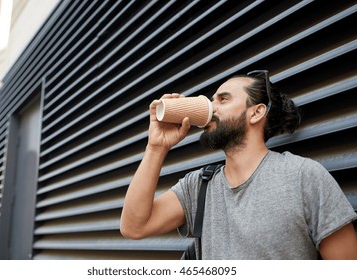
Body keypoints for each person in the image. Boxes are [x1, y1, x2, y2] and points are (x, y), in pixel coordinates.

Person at [120, 70, 357, 259]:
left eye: (223, 99)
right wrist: (156, 147)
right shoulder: (199, 185)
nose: (211, 108)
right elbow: (134, 227)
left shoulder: (303, 176)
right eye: (212, 100)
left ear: (256, 113)